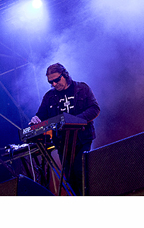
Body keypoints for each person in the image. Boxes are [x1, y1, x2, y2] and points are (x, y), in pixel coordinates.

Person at [30, 63, 100, 193]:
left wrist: (74, 120)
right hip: (63, 144)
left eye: (56, 80)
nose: (54, 84)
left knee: (82, 173)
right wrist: (35, 120)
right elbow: (40, 117)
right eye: (51, 82)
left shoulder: (82, 88)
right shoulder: (49, 97)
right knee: (70, 179)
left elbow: (95, 109)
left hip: (82, 139)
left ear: (65, 75)